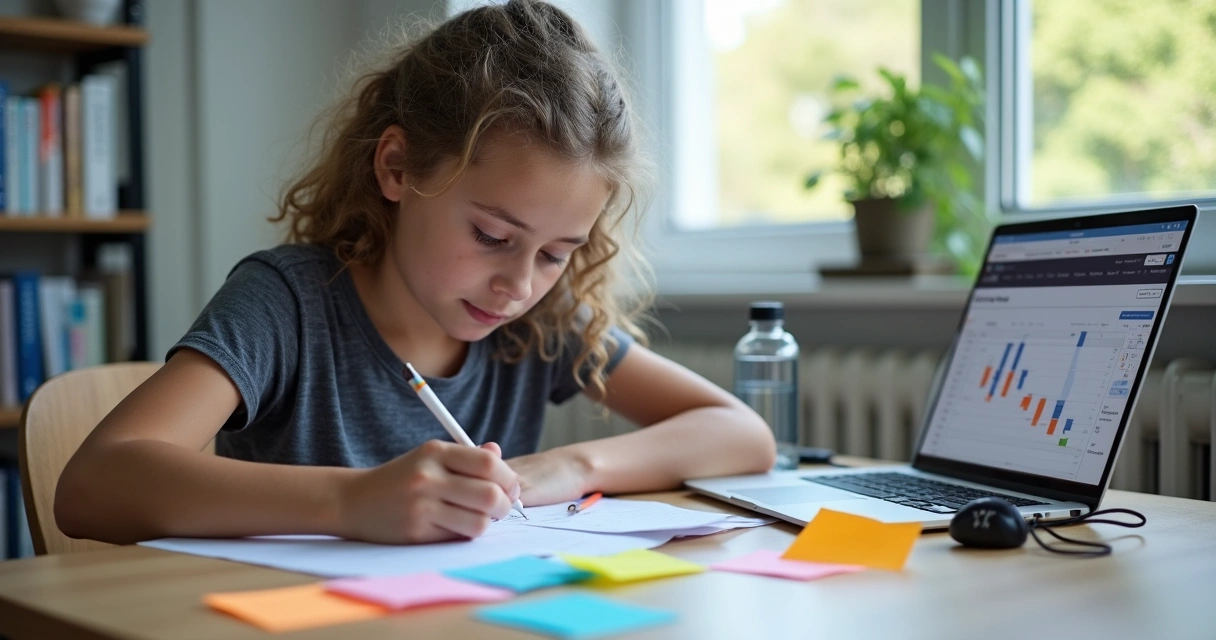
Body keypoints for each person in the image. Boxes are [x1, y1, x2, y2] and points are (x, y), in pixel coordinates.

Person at [55, 0, 775, 546]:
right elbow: (92, 485)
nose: (520, 285)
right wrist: (350, 502)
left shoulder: (541, 324)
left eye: (557, 253)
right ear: (397, 168)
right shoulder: (287, 303)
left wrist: (570, 468)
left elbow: (741, 433)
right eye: (492, 235)